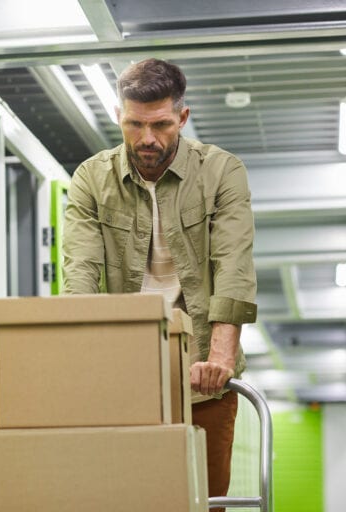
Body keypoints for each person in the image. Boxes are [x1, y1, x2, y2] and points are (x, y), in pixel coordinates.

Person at [61, 58, 257, 509]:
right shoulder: (92, 178)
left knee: (202, 501)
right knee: (126, 499)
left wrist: (221, 357)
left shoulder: (222, 171)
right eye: (134, 124)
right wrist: (80, 363)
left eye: (161, 124)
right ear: (118, 115)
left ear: (182, 117)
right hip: (124, 370)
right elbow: (81, 274)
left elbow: (233, 264)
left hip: (203, 373)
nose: (147, 139)